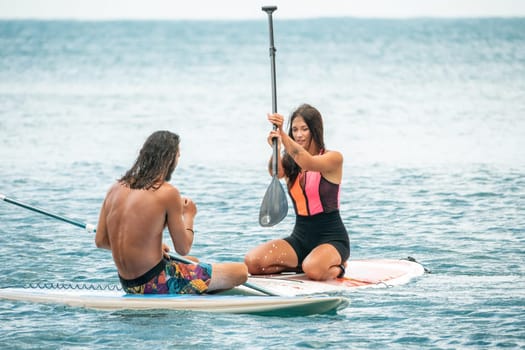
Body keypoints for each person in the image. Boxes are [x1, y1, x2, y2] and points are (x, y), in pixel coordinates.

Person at [95, 130, 248, 294]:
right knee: (240, 271)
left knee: (192, 262)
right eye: (178, 156)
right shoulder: (167, 192)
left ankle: (196, 287)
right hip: (155, 284)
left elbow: (101, 241)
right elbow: (183, 248)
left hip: (129, 284)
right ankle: (195, 291)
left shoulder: (115, 188)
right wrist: (189, 215)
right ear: (170, 159)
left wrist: (144, 246)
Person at [245, 104, 350, 281]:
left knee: (314, 271)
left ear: (315, 130)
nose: (299, 134)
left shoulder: (333, 158)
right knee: (253, 262)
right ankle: (307, 262)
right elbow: (275, 172)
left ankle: (338, 267)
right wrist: (277, 147)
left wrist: (283, 135)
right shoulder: (290, 161)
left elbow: (309, 163)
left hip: (332, 238)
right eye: (294, 130)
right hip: (300, 238)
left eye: (304, 129)